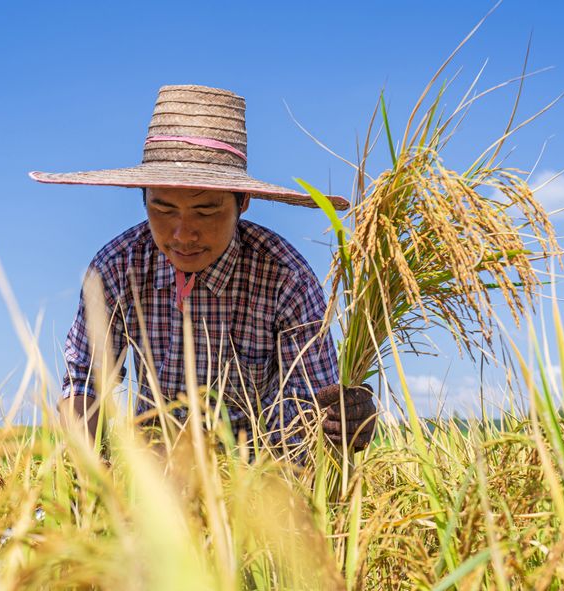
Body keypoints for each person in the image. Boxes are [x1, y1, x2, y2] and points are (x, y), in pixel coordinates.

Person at [30, 84, 375, 452]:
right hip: (157, 478)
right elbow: (84, 382)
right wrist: (97, 482)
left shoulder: (286, 279)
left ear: (243, 202)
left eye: (206, 210)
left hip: (262, 482)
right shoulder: (118, 267)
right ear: (143, 198)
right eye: (162, 209)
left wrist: (343, 421)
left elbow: (310, 408)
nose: (182, 234)